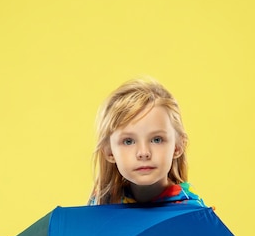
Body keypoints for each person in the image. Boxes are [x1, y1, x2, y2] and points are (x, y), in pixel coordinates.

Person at [88, 78, 206, 207]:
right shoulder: (102, 203)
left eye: (157, 140)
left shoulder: (191, 212)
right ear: (109, 151)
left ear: (177, 146)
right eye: (128, 141)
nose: (143, 153)